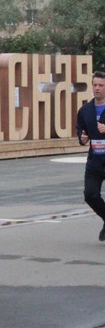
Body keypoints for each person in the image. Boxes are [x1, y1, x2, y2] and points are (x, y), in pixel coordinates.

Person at [76, 70, 105, 241]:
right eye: (95, 85)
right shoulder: (85, 110)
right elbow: (80, 129)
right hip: (95, 160)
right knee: (90, 194)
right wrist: (82, 138)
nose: (97, 88)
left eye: (101, 85)